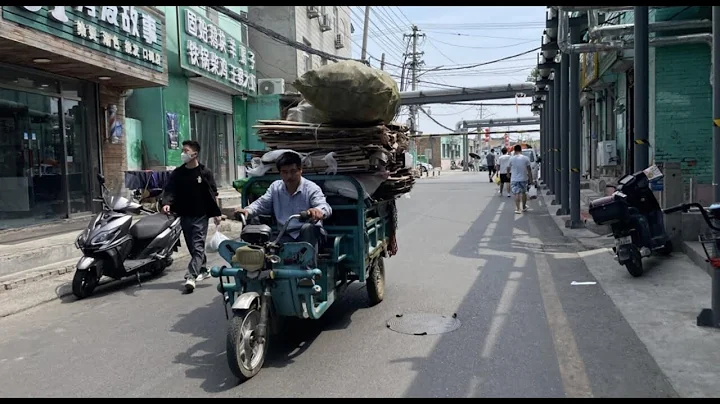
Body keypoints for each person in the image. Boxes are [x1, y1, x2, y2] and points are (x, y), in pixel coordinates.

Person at [235, 152, 332, 263]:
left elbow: (324, 206)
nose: (289, 176)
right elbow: (261, 203)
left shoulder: (311, 188)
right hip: (283, 234)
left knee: (308, 228)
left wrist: (317, 211)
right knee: (260, 240)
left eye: (293, 171)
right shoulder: (275, 187)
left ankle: (308, 273)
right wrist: (247, 211)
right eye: (285, 172)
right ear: (280, 173)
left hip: (309, 235)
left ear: (301, 170)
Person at [161, 140, 222, 292]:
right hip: (184, 214)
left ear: (195, 154)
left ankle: (191, 276)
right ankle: (202, 269)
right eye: (182, 150)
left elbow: (213, 192)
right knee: (192, 246)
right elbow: (170, 190)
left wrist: (217, 213)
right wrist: (166, 203)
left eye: (186, 150)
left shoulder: (205, 172)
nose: (183, 153)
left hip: (201, 215)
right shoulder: (178, 173)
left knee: (198, 245)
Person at [507, 144, 533, 214]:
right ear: (521, 150)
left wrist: (508, 174)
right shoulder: (526, 158)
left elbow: (508, 168)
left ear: (514, 150)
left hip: (514, 179)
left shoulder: (511, 158)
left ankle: (518, 209)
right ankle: (524, 207)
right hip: (523, 178)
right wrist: (531, 179)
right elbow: (529, 170)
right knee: (523, 193)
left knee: (516, 194)